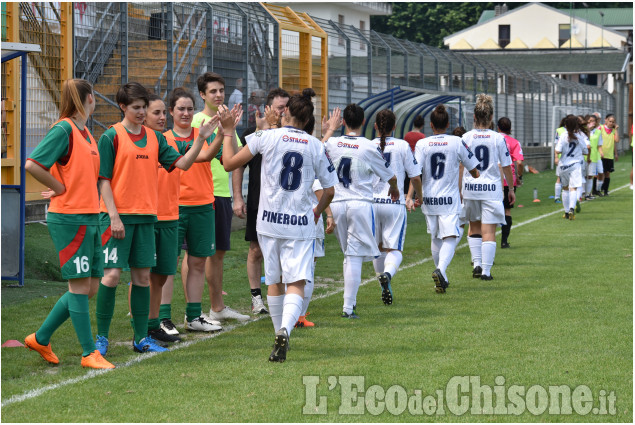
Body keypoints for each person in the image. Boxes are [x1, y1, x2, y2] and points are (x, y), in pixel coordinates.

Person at [95, 82, 216, 355]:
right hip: (117, 219)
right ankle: (101, 338)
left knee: (141, 278)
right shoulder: (111, 136)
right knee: (112, 275)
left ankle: (141, 338)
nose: (140, 112)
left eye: (142, 108)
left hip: (147, 219)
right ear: (123, 107)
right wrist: (113, 216)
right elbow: (103, 180)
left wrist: (201, 139)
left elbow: (183, 164)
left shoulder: (156, 139)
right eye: (136, 108)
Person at [220, 88, 337, 362]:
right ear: (308, 120)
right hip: (299, 224)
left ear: (285, 113)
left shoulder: (265, 136)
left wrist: (227, 132)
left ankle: (278, 333)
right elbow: (329, 191)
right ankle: (285, 329)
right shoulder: (316, 145)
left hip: (268, 223)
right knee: (295, 281)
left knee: (274, 281)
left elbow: (228, 163)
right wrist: (318, 211)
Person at [24, 79, 114, 369]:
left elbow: (74, 171)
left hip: (88, 216)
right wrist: (59, 188)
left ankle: (41, 337)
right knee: (79, 287)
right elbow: (32, 164)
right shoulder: (64, 128)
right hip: (70, 218)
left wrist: (62, 184)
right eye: (94, 96)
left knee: (89, 288)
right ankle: (89, 354)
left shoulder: (85, 132)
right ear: (89, 98)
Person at [325, 103, 399, 318]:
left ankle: (350, 306)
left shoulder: (331, 142)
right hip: (360, 204)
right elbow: (390, 175)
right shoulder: (368, 146)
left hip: (337, 203)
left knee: (349, 255)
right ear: (364, 122)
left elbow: (316, 150)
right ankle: (348, 308)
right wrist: (394, 189)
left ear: (344, 122)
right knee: (354, 256)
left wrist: (328, 130)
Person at [188, 72, 249, 323]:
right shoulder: (196, 121)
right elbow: (195, 155)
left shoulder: (228, 123)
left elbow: (232, 161)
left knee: (219, 253)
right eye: (213, 91)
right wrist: (223, 128)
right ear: (202, 95)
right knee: (194, 254)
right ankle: (193, 311)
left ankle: (217, 307)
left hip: (221, 194)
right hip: (201, 193)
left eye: (221, 90)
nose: (219, 95)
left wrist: (236, 196)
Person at [407, 104, 479, 292]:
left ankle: (442, 278)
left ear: (431, 125)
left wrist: (413, 195)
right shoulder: (456, 141)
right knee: (450, 236)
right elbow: (474, 170)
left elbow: (415, 173)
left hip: (429, 198)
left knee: (435, 237)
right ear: (448, 124)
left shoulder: (422, 143)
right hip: (449, 198)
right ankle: (440, 269)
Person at [237, 87, 291, 315]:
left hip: (286, 202)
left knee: (284, 250)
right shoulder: (253, 133)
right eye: (280, 108)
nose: (284, 112)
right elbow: (238, 165)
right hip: (259, 201)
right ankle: (256, 298)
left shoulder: (292, 134)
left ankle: (283, 295)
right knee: (256, 249)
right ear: (268, 108)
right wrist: (238, 196)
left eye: (287, 108)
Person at [462, 94, 515, 281]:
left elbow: (461, 165)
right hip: (491, 189)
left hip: (470, 188)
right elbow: (507, 165)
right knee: (489, 231)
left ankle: (476, 263)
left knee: (474, 225)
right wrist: (511, 189)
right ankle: (485, 271)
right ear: (492, 118)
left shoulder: (466, 137)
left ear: (474, 117)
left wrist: (460, 189)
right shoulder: (498, 138)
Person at [371, 109, 422, 304]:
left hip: (372, 204)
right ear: (394, 127)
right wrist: (418, 196)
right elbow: (415, 177)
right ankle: (388, 276)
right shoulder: (402, 145)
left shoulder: (368, 146)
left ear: (376, 126)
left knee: (378, 249)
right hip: (394, 203)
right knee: (395, 249)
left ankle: (384, 285)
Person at [555, 115, 590, 220]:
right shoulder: (580, 136)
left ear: (565, 125)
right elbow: (586, 151)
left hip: (563, 165)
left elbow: (558, 150)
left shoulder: (563, 136)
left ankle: (566, 212)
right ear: (576, 125)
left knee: (565, 188)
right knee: (573, 188)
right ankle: (571, 209)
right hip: (575, 165)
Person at [497, 117, 524, 249]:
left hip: (493, 179)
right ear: (510, 128)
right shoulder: (514, 142)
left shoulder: (492, 139)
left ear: (498, 127)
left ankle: (485, 240)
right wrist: (519, 176)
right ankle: (504, 241)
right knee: (507, 210)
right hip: (508, 180)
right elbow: (519, 162)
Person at [599, 114, 619, 196]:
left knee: (607, 173)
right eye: (610, 121)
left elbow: (616, 141)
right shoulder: (601, 128)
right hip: (601, 154)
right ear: (606, 120)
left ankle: (605, 191)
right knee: (601, 173)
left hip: (610, 155)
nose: (611, 123)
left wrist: (616, 153)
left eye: (613, 122)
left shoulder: (613, 130)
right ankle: (598, 189)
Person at [585, 114, 603, 200]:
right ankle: (581, 194)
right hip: (583, 156)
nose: (592, 122)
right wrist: (587, 131)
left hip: (593, 157)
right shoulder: (582, 131)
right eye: (590, 120)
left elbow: (599, 145)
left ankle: (588, 194)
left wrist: (601, 153)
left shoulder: (598, 132)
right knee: (583, 175)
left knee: (590, 176)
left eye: (593, 121)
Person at [553, 117, 567, 204]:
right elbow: (556, 144)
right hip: (562, 158)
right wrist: (556, 156)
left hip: (572, 159)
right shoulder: (559, 130)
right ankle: (557, 197)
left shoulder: (575, 131)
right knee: (560, 177)